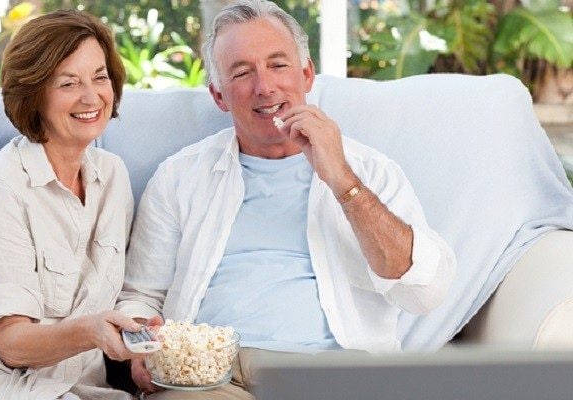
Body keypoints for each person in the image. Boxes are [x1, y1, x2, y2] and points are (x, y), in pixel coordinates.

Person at [117, 0, 457, 398]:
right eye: (242, 73)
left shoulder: (370, 171)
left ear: (307, 74)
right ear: (219, 96)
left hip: (330, 372)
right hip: (209, 374)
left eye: (278, 65)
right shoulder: (180, 176)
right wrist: (139, 348)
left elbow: (424, 293)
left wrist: (343, 181)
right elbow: (141, 296)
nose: (265, 87)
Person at [0, 10, 158, 400]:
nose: (91, 97)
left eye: (100, 77)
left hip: (75, 385)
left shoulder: (113, 176)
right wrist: (91, 331)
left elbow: (118, 295)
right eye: (68, 83)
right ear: (34, 94)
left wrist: (139, 347)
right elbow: (12, 344)